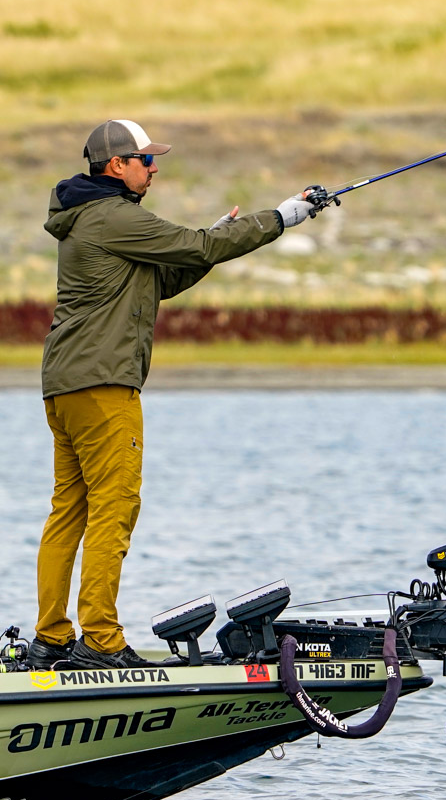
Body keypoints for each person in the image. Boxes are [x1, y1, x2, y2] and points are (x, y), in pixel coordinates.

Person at [29, 119, 323, 670]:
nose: (154, 169)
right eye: (145, 160)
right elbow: (197, 245)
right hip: (103, 386)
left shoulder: (90, 217)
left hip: (66, 384)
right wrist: (283, 216)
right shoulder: (112, 216)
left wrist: (209, 245)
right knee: (114, 508)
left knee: (69, 510)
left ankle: (52, 636)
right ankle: (100, 641)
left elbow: (163, 279)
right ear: (116, 165)